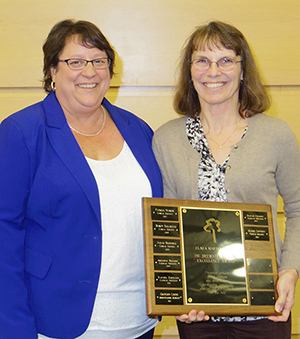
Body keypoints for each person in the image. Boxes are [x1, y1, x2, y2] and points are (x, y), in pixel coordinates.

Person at [0, 19, 163, 339]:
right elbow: (3, 237)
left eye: (99, 61)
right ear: (52, 70)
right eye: (75, 61)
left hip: (139, 323)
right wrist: (14, 328)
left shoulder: (138, 130)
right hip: (58, 324)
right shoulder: (21, 132)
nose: (89, 72)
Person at [153, 20, 300, 339]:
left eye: (225, 61)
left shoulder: (276, 135)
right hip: (197, 314)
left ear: (243, 70)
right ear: (190, 72)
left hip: (265, 308)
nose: (213, 71)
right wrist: (173, 291)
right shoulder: (166, 139)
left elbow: (298, 209)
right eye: (202, 60)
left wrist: (290, 270)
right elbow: (164, 226)